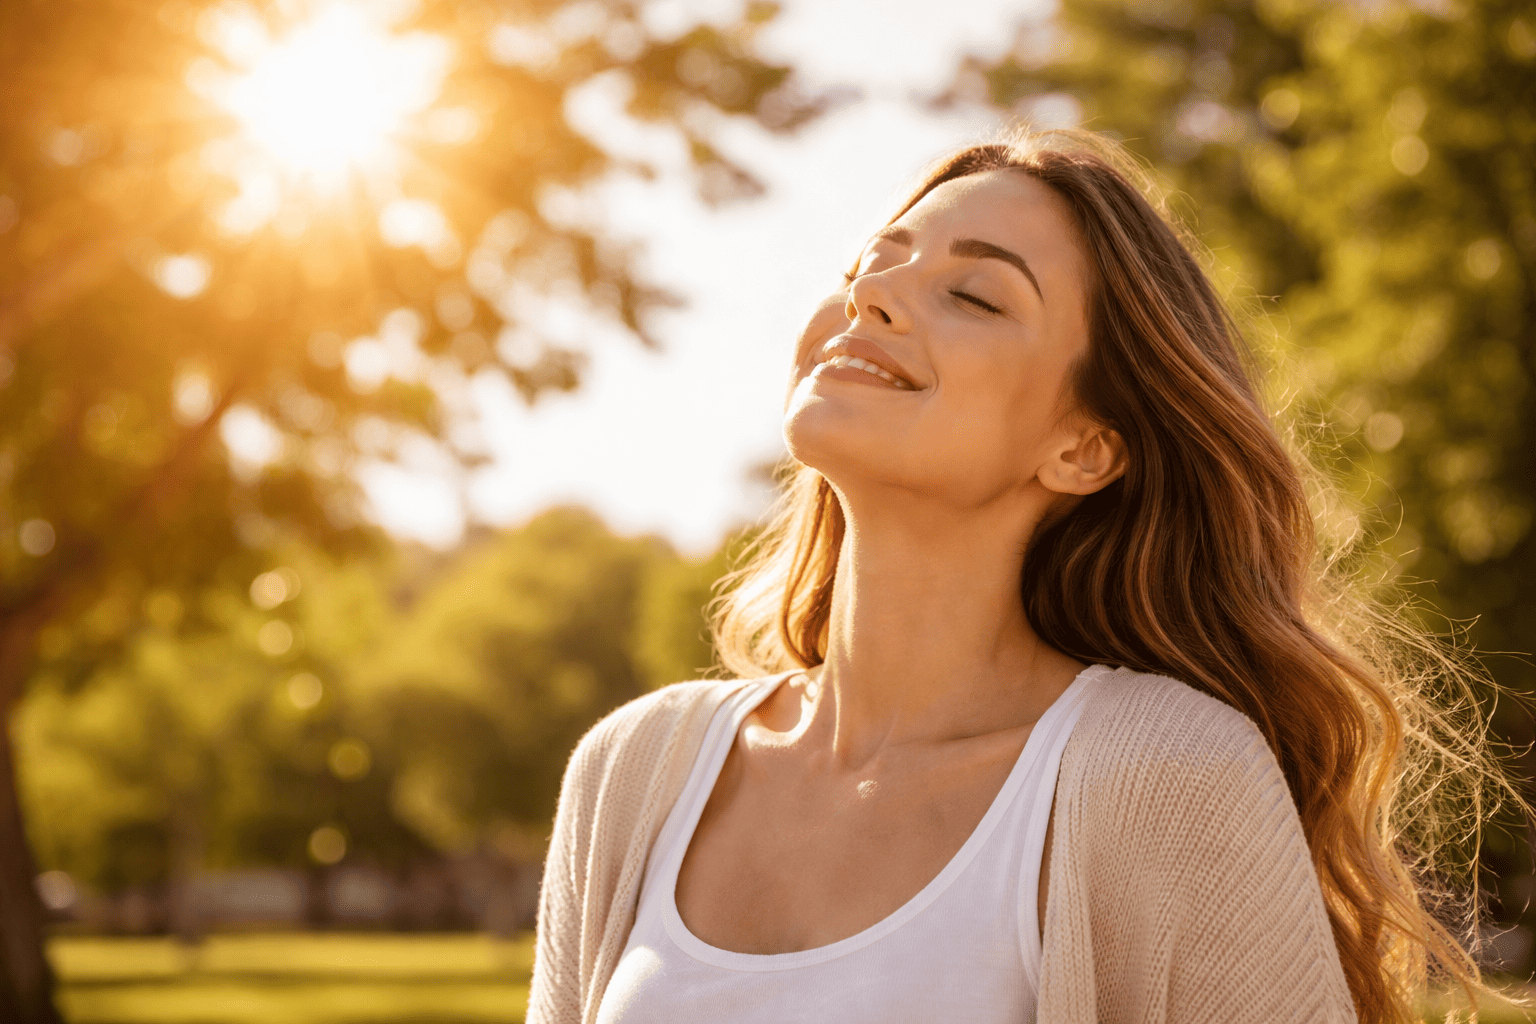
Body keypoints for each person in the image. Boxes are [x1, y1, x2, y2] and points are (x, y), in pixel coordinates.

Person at [527, 129, 1506, 1024]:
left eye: (975, 295)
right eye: (869, 266)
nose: (870, 297)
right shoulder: (636, 769)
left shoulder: (1166, 774)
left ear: (1084, 447)